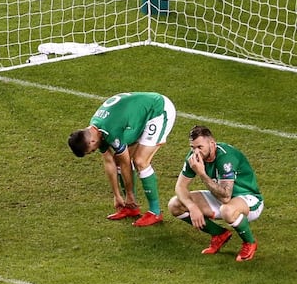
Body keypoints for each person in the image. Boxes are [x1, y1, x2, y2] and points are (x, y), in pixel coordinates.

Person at [68, 92, 176, 226]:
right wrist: (116, 195)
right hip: (137, 117)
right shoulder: (95, 129)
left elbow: (125, 162)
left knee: (140, 161)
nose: (94, 151)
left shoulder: (109, 130)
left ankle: (155, 212)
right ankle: (131, 208)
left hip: (157, 110)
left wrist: (129, 194)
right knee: (118, 158)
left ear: (91, 142)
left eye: (92, 151)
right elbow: (109, 162)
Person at [166, 126, 262, 261]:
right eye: (192, 147)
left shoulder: (226, 157)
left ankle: (250, 242)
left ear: (212, 143)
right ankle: (219, 234)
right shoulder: (193, 158)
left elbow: (226, 196)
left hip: (247, 198)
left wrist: (202, 174)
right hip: (220, 197)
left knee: (227, 210)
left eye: (200, 147)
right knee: (175, 204)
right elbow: (180, 186)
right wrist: (192, 207)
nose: (196, 152)